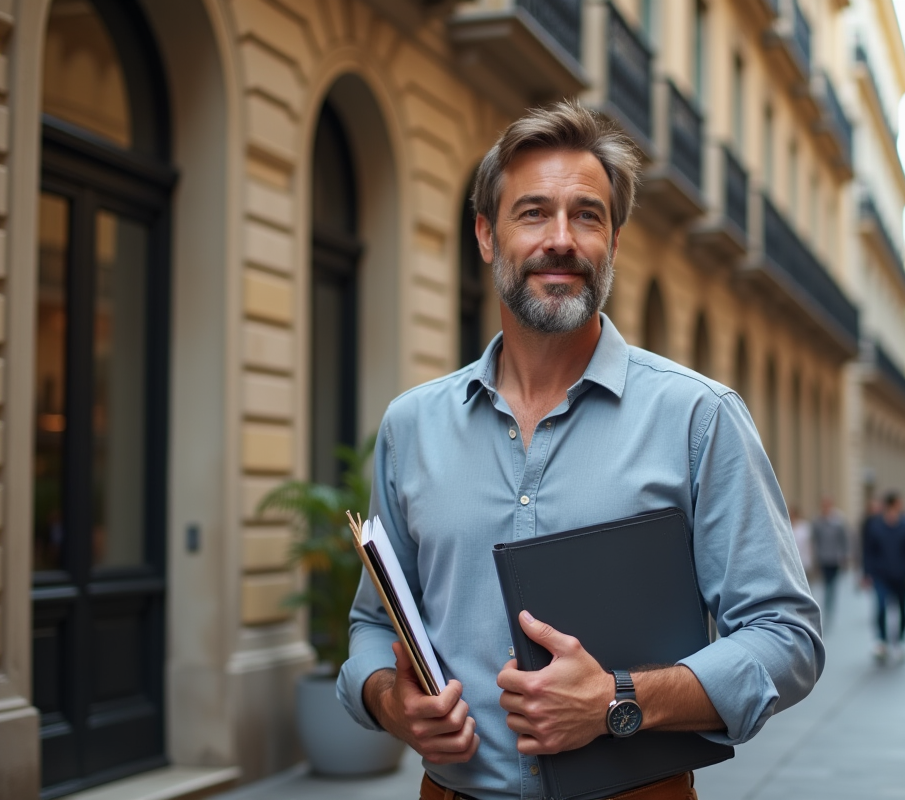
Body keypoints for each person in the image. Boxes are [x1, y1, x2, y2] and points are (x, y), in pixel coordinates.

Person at [335, 102, 824, 800]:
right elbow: (372, 621)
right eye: (532, 213)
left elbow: (787, 638)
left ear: (614, 244)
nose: (560, 239)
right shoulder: (410, 426)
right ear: (485, 235)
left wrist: (617, 701)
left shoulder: (697, 418)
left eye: (587, 215)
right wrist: (390, 701)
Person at [861, 492, 905, 662]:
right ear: (892, 505)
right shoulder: (875, 526)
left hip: (902, 575)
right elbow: (868, 552)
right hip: (881, 575)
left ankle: (900, 640)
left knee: (902, 609)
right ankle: (881, 640)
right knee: (880, 607)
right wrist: (866, 573)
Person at [811, 497, 850, 619]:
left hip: (835, 558)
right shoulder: (817, 521)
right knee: (826, 583)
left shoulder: (838, 521)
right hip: (823, 557)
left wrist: (844, 556)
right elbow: (814, 540)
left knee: (832, 583)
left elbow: (843, 540)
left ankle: (830, 605)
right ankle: (826, 605)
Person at [790, 505, 813, 572]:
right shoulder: (787, 527)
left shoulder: (804, 526)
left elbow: (809, 544)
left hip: (804, 560)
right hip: (791, 561)